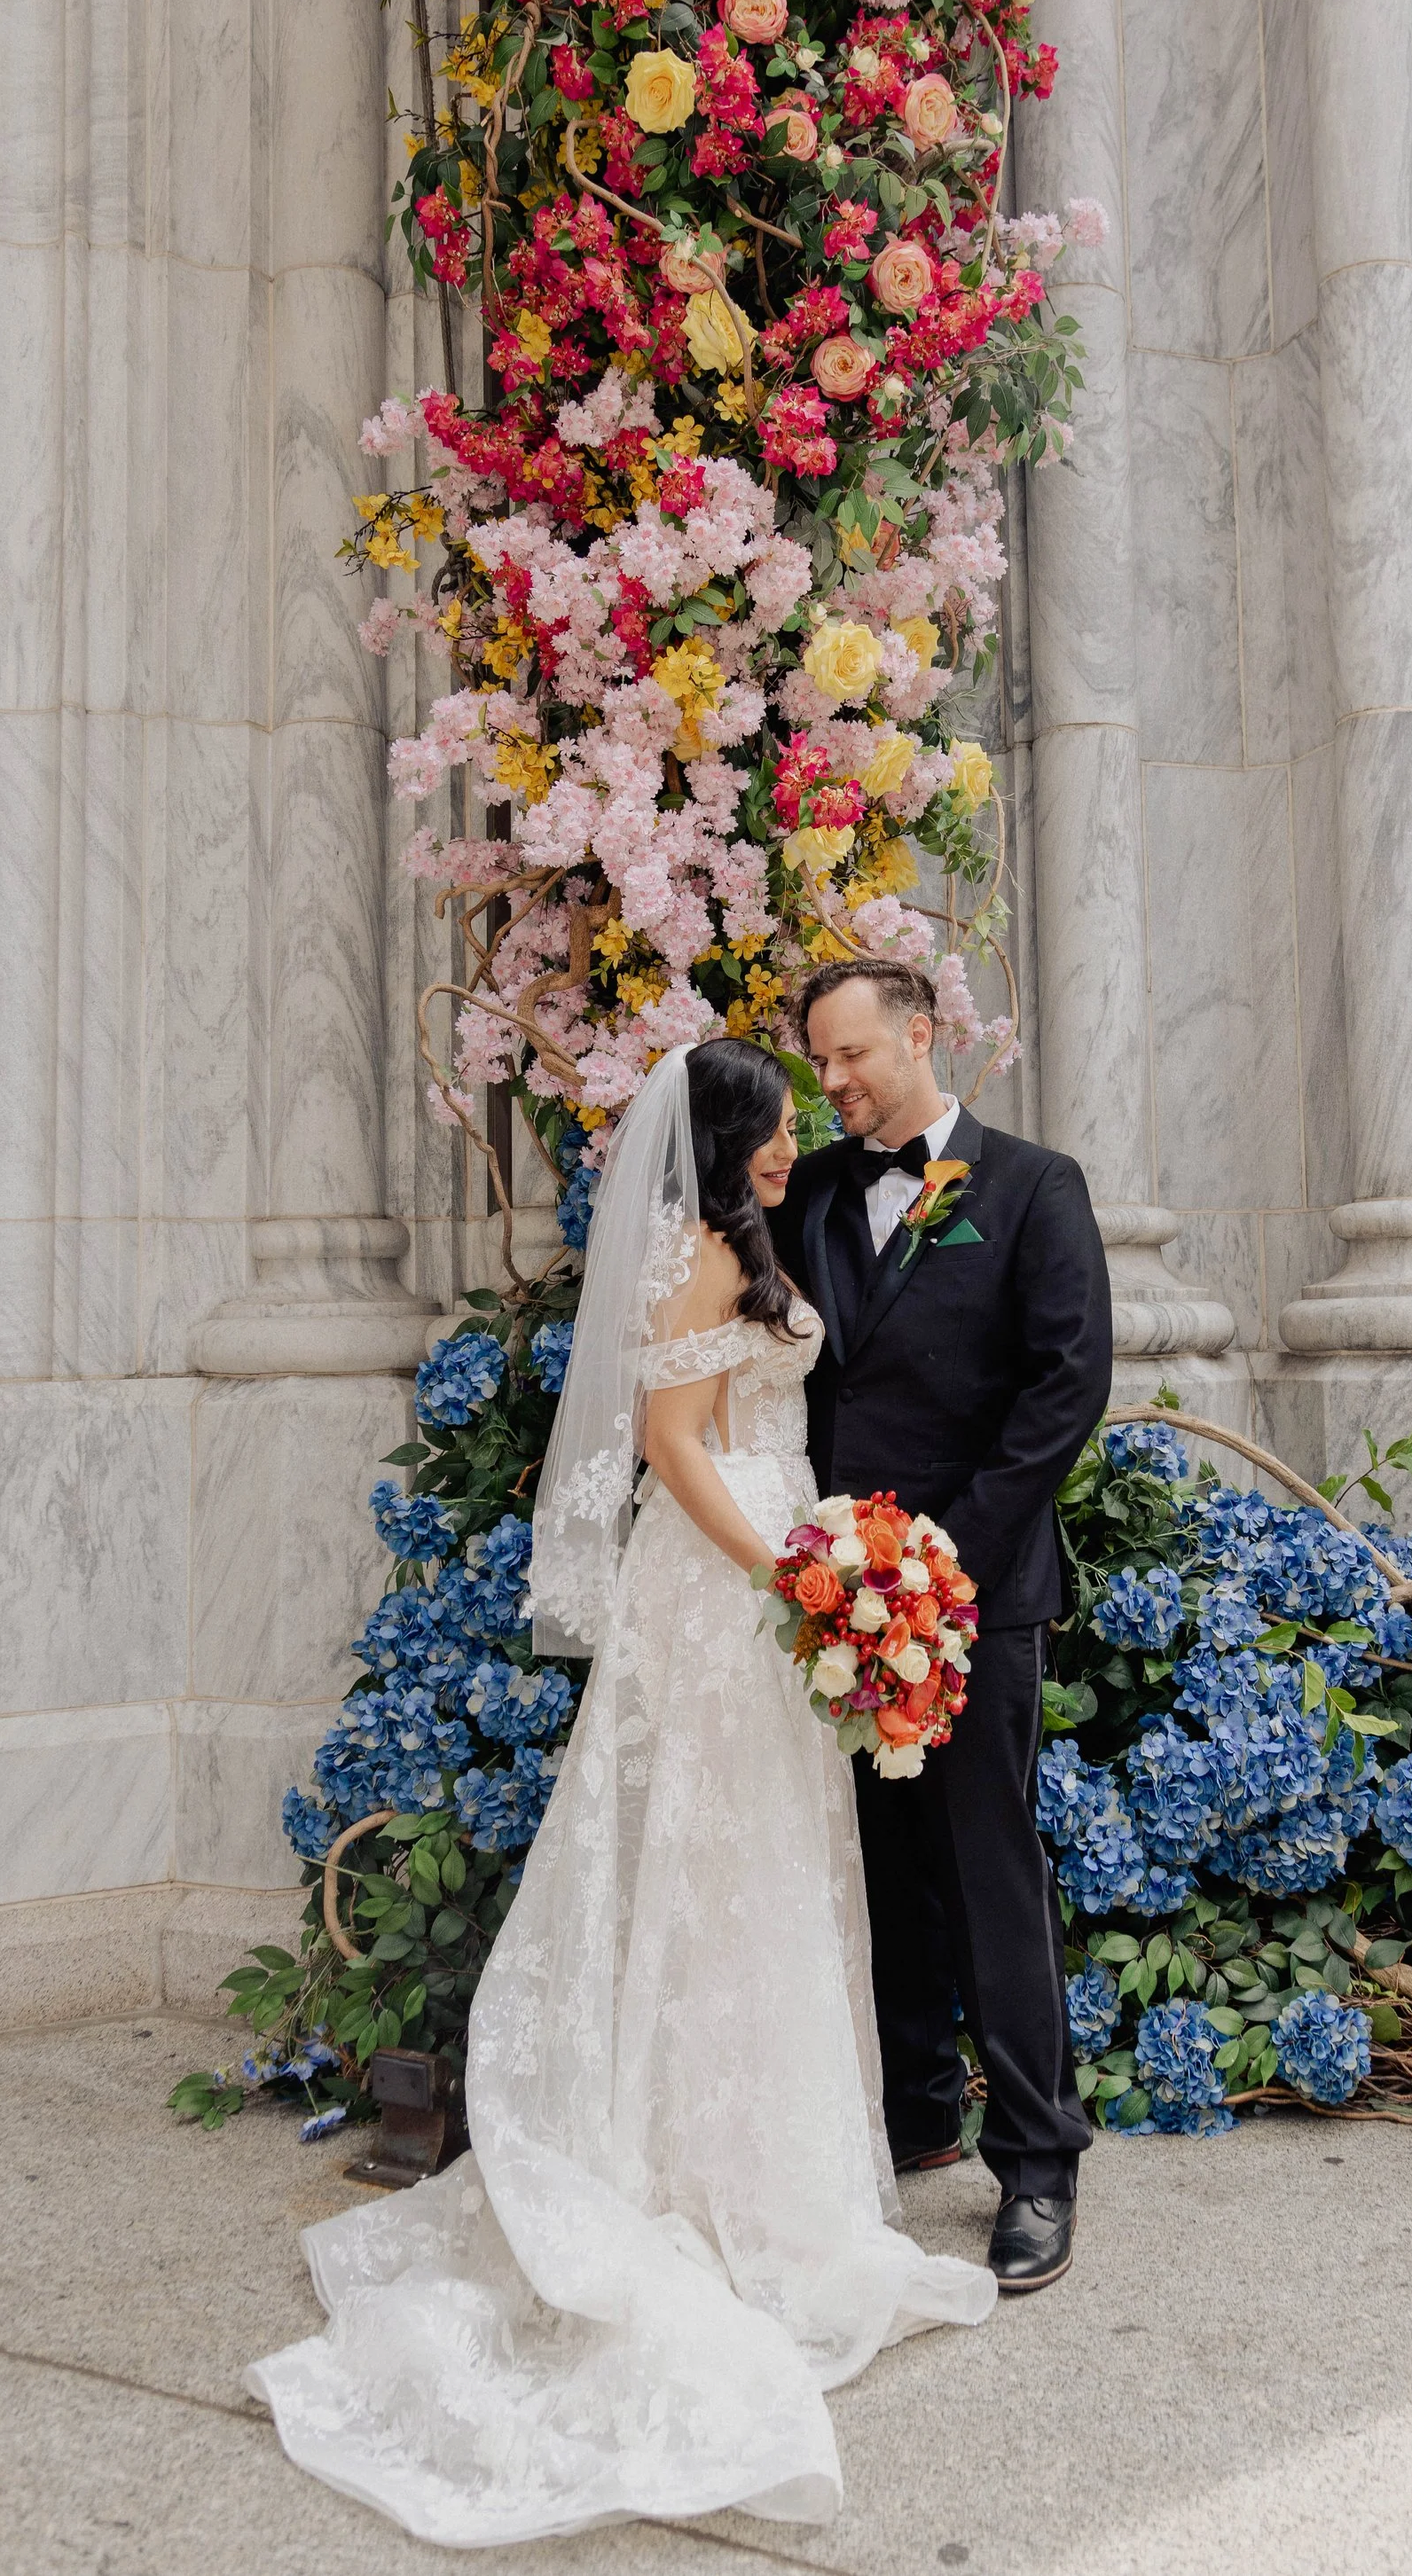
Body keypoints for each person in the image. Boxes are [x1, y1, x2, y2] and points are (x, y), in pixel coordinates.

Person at [248, 1037, 994, 2547]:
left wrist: (834, 1558)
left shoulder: (744, 1241)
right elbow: (670, 1444)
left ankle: (769, 2168)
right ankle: (684, 2172)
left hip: (783, 1571)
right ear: (721, 1144)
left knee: (774, 1866)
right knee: (712, 1863)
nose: (793, 1147)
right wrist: (794, 1573)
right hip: (726, 1585)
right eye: (774, 1130)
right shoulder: (697, 1256)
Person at [771, 959, 1113, 2295]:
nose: (838, 1082)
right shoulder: (805, 1193)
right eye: (823, 1063)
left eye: (855, 1055)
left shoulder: (1035, 1187)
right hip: (830, 1600)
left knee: (986, 1868)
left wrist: (939, 1557)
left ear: (924, 1035)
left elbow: (1065, 1384)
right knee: (877, 1865)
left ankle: (1039, 2157)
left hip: (972, 1596)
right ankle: (917, 2107)